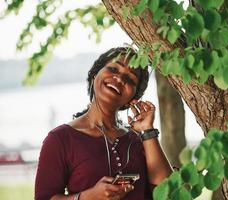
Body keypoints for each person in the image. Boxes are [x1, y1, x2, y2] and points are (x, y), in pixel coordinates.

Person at [35, 47, 173, 200]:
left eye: (130, 79)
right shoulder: (60, 139)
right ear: (95, 75)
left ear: (133, 98)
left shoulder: (140, 140)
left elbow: (167, 192)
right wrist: (88, 197)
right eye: (114, 68)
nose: (120, 79)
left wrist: (147, 130)